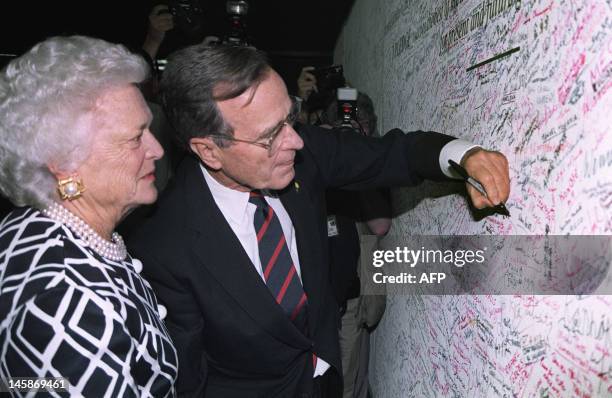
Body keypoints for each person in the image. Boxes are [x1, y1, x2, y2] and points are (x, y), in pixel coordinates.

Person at [128, 44, 510, 397]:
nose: (294, 141)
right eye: (269, 136)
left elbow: (390, 155)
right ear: (209, 150)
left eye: (289, 119)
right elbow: (188, 380)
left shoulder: (301, 153)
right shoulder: (163, 247)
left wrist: (464, 155)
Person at [0, 36, 177, 397]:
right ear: (63, 164)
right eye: (134, 138)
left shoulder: (31, 225)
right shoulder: (63, 301)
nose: (156, 149)